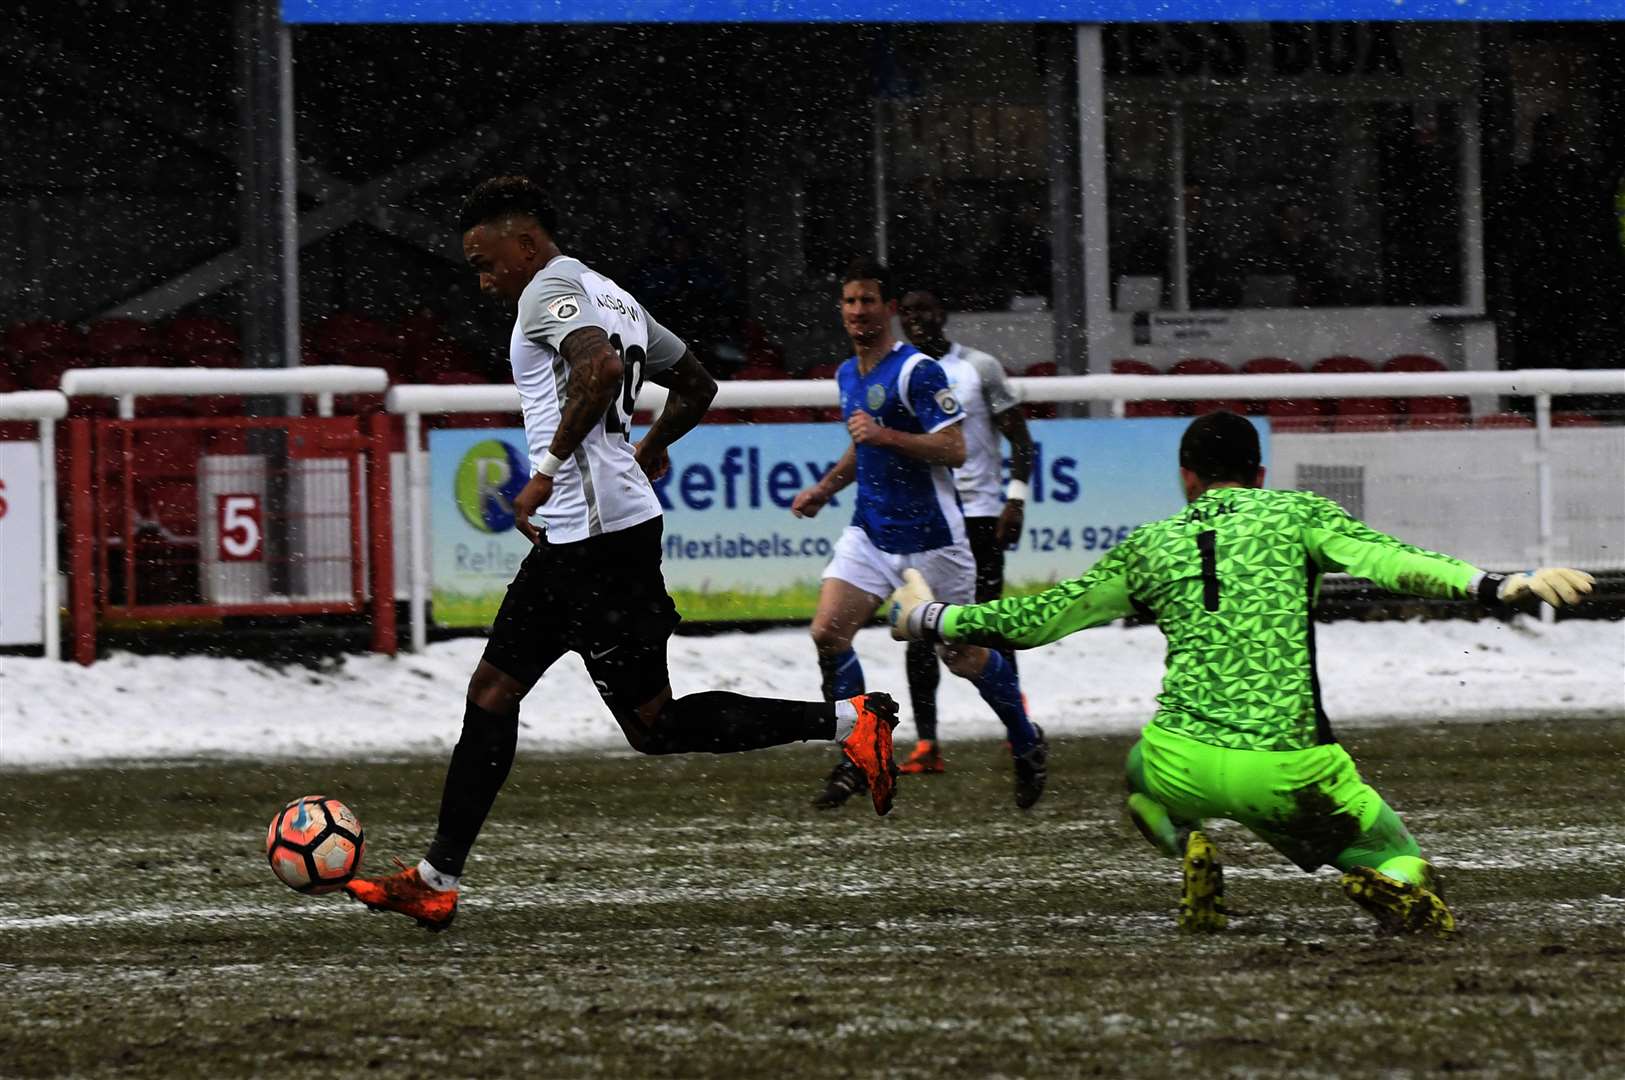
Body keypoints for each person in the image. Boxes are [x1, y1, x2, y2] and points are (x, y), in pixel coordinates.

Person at [345, 177, 901, 931]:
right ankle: (436, 879)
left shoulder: (551, 292)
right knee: (494, 692)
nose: (483, 280)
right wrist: (642, 449)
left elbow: (600, 369)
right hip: (589, 537)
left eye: (485, 261)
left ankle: (851, 720)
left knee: (652, 723)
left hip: (599, 543)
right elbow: (697, 382)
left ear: (526, 243)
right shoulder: (613, 294)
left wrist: (545, 474)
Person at [886, 411, 1595, 935]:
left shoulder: (1151, 544)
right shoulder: (1296, 515)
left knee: (1138, 778)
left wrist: (927, 619)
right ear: (1258, 474)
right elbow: (1392, 562)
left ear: (1186, 479)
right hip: (1285, 769)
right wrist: (1497, 584)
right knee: (1395, 850)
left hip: (1181, 758)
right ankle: (1385, 878)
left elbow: (1038, 621)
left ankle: (1188, 842)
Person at [791, 260, 1047, 811]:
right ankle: (860, 756)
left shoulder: (919, 373)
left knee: (963, 656)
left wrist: (885, 433)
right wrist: (825, 489)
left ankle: (1026, 741)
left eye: (868, 301)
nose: (858, 311)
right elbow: (863, 448)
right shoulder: (847, 374)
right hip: (870, 530)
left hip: (932, 541)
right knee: (828, 634)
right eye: (850, 301)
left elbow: (954, 449)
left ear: (889, 310)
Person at [895, 288, 1036, 776]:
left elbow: (1021, 439)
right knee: (919, 629)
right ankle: (927, 743)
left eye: (926, 309)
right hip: (923, 518)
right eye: (908, 311)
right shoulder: (897, 374)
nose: (917, 319)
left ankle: (1018, 729)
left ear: (944, 313)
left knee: (990, 626)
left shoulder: (980, 367)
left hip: (978, 516)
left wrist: (1014, 499)